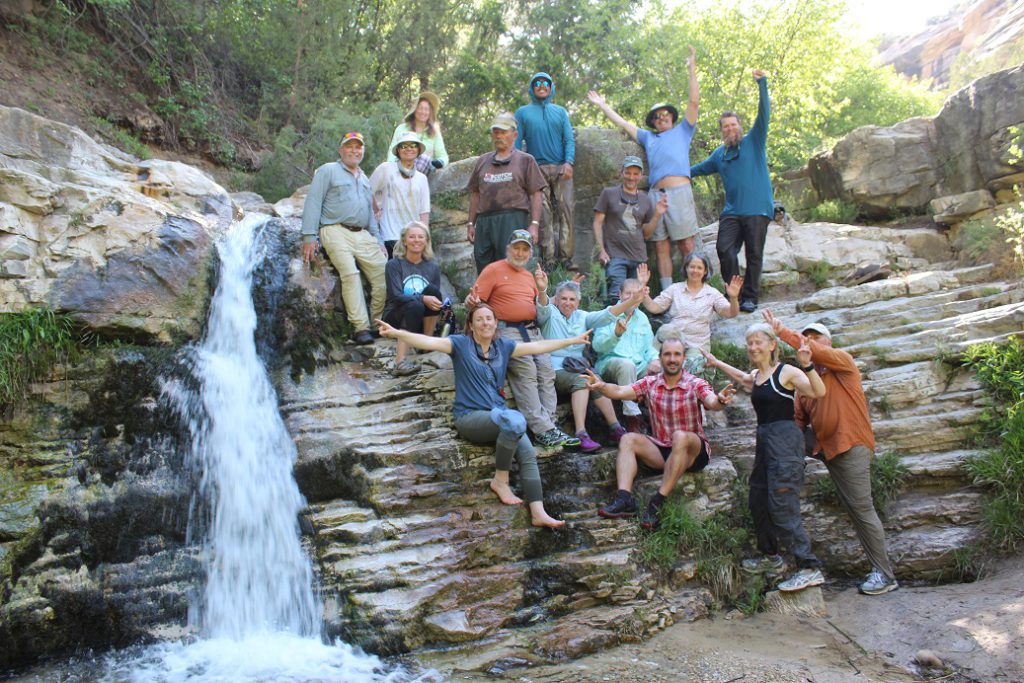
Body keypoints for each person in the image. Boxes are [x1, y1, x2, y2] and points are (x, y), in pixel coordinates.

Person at [376, 304, 589, 528]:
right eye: (479, 319)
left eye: (489, 318)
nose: (485, 323)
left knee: (526, 451)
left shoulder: (503, 346)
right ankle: (500, 479)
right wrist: (397, 333)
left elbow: (537, 346)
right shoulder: (460, 344)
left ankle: (538, 512)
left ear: (496, 323)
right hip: (471, 417)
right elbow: (428, 341)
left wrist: (571, 341)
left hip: (502, 418)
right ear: (471, 325)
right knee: (515, 420)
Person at [765, 311, 899, 595]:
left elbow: (814, 352)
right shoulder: (807, 382)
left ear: (828, 343)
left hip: (849, 445)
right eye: (807, 337)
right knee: (781, 432)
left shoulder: (843, 363)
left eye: (815, 339)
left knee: (860, 509)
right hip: (824, 446)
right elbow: (797, 421)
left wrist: (784, 333)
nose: (809, 343)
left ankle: (885, 575)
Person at [701, 322, 827, 592]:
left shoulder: (787, 372)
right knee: (758, 500)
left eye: (759, 342)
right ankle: (771, 557)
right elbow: (745, 379)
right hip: (764, 444)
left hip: (785, 443)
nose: (753, 347)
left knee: (783, 506)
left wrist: (807, 366)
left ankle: (809, 567)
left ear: (772, 345)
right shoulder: (759, 375)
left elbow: (818, 392)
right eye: (750, 343)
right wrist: (717, 362)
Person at [584, 335, 736, 529]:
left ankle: (657, 502)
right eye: (668, 354)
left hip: (693, 452)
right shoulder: (650, 383)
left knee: (680, 436)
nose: (672, 359)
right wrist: (602, 386)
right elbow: (620, 391)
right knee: (628, 439)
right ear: (661, 357)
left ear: (683, 359)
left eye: (677, 355)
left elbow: (711, 402)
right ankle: (624, 499)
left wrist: (720, 400)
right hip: (663, 450)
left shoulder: (695, 383)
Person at [587, 46, 701, 292]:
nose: (661, 118)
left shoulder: (683, 130)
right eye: (657, 117)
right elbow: (623, 124)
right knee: (661, 246)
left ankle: (696, 291)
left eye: (665, 115)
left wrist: (692, 69)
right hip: (654, 195)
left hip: (679, 191)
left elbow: (694, 101)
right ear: (653, 122)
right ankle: (670, 295)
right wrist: (602, 105)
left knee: (686, 244)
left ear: (672, 116)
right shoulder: (649, 138)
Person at [466, 230, 580, 448]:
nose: (520, 253)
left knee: (547, 371)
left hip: (533, 331)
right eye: (516, 248)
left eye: (524, 249)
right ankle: (543, 429)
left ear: (530, 253)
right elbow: (474, 302)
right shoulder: (493, 270)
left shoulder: (530, 276)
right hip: (507, 331)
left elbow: (542, 311)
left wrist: (543, 290)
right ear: (508, 249)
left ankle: (550, 426)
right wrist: (470, 301)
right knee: (527, 370)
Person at [691, 70, 774, 313]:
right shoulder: (719, 154)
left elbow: (764, 113)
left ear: (739, 126)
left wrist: (762, 83)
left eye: (733, 125)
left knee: (754, 254)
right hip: (732, 212)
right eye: (725, 127)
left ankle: (750, 297)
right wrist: (671, 174)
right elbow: (695, 170)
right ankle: (733, 294)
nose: (730, 129)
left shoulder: (753, 141)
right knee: (725, 249)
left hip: (758, 208)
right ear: (722, 131)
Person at [535, 272, 648, 452]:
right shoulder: (549, 315)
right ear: (556, 299)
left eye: (572, 299)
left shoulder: (582, 316)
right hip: (554, 369)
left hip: (577, 367)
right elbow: (542, 306)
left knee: (595, 380)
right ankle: (581, 433)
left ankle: (615, 428)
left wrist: (631, 301)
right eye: (563, 298)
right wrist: (542, 289)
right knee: (584, 380)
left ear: (578, 302)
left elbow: (608, 314)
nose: (567, 302)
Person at [301, 131, 387, 346]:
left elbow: (370, 213)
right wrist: (309, 236)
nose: (354, 150)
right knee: (350, 273)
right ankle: (361, 328)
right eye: (349, 146)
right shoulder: (328, 171)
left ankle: (378, 324)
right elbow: (313, 201)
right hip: (334, 229)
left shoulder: (365, 179)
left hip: (363, 233)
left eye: (358, 147)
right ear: (341, 150)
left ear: (362, 152)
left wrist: (378, 239)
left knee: (383, 273)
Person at [467, 113, 548, 273]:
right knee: (483, 265)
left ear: (515, 135)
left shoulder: (526, 160)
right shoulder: (483, 161)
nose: (499, 136)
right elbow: (475, 194)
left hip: (512, 219)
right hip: (484, 221)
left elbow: (535, 194)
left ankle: (510, 298)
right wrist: (471, 223)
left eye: (503, 132)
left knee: (510, 266)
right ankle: (486, 298)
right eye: (496, 132)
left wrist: (534, 225)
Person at [637, 256, 742, 374]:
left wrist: (733, 298)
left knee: (689, 369)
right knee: (666, 330)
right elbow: (654, 307)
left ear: (705, 271)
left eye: (699, 268)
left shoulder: (712, 293)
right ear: (686, 268)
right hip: (673, 340)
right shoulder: (675, 289)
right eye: (692, 267)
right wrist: (642, 286)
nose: (695, 271)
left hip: (696, 345)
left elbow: (731, 313)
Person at [514, 72, 576, 268]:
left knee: (566, 211)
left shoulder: (560, 111)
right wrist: (517, 167)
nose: (542, 86)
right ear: (532, 88)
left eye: (545, 83)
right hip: (536, 169)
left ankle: (566, 258)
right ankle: (548, 259)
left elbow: (569, 139)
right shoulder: (523, 112)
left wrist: (569, 162)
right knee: (543, 215)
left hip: (561, 168)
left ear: (551, 88)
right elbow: (516, 141)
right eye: (537, 83)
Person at [593, 156, 667, 301]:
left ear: (640, 176)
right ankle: (614, 324)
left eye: (635, 173)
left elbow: (646, 234)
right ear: (622, 173)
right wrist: (601, 250)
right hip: (615, 255)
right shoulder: (609, 193)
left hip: (639, 257)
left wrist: (657, 214)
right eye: (628, 172)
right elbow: (597, 223)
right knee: (616, 296)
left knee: (637, 298)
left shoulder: (645, 199)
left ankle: (632, 323)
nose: (631, 177)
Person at [592, 278, 658, 435]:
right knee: (627, 365)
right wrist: (615, 334)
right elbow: (597, 346)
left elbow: (650, 349)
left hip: (639, 365)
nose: (632, 297)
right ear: (619, 294)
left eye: (636, 294)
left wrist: (655, 360)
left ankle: (661, 418)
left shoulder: (642, 318)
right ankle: (632, 417)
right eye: (628, 293)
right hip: (611, 364)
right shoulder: (609, 314)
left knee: (661, 369)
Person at [381, 221, 443, 377]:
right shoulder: (394, 265)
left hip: (420, 319)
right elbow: (396, 297)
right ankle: (400, 362)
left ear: (426, 241)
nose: (416, 240)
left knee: (433, 291)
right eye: (412, 237)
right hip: (395, 315)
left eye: (421, 237)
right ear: (404, 241)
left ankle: (426, 343)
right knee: (414, 305)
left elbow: (433, 299)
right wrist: (422, 298)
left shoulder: (432, 268)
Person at [370, 132, 431, 258]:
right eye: (403, 146)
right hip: (389, 236)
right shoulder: (385, 168)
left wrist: (425, 238)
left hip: (413, 239)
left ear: (418, 149)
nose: (408, 148)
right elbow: (367, 191)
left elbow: (424, 212)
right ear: (398, 150)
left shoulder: (422, 178)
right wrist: (376, 209)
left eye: (413, 145)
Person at [387, 90, 449, 172]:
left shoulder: (434, 132)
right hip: (401, 170)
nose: (423, 112)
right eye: (420, 108)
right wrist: (391, 168)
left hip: (424, 173)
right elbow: (392, 153)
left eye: (426, 109)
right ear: (415, 110)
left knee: (424, 159)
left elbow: (443, 156)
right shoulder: (402, 129)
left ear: (430, 112)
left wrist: (439, 163)